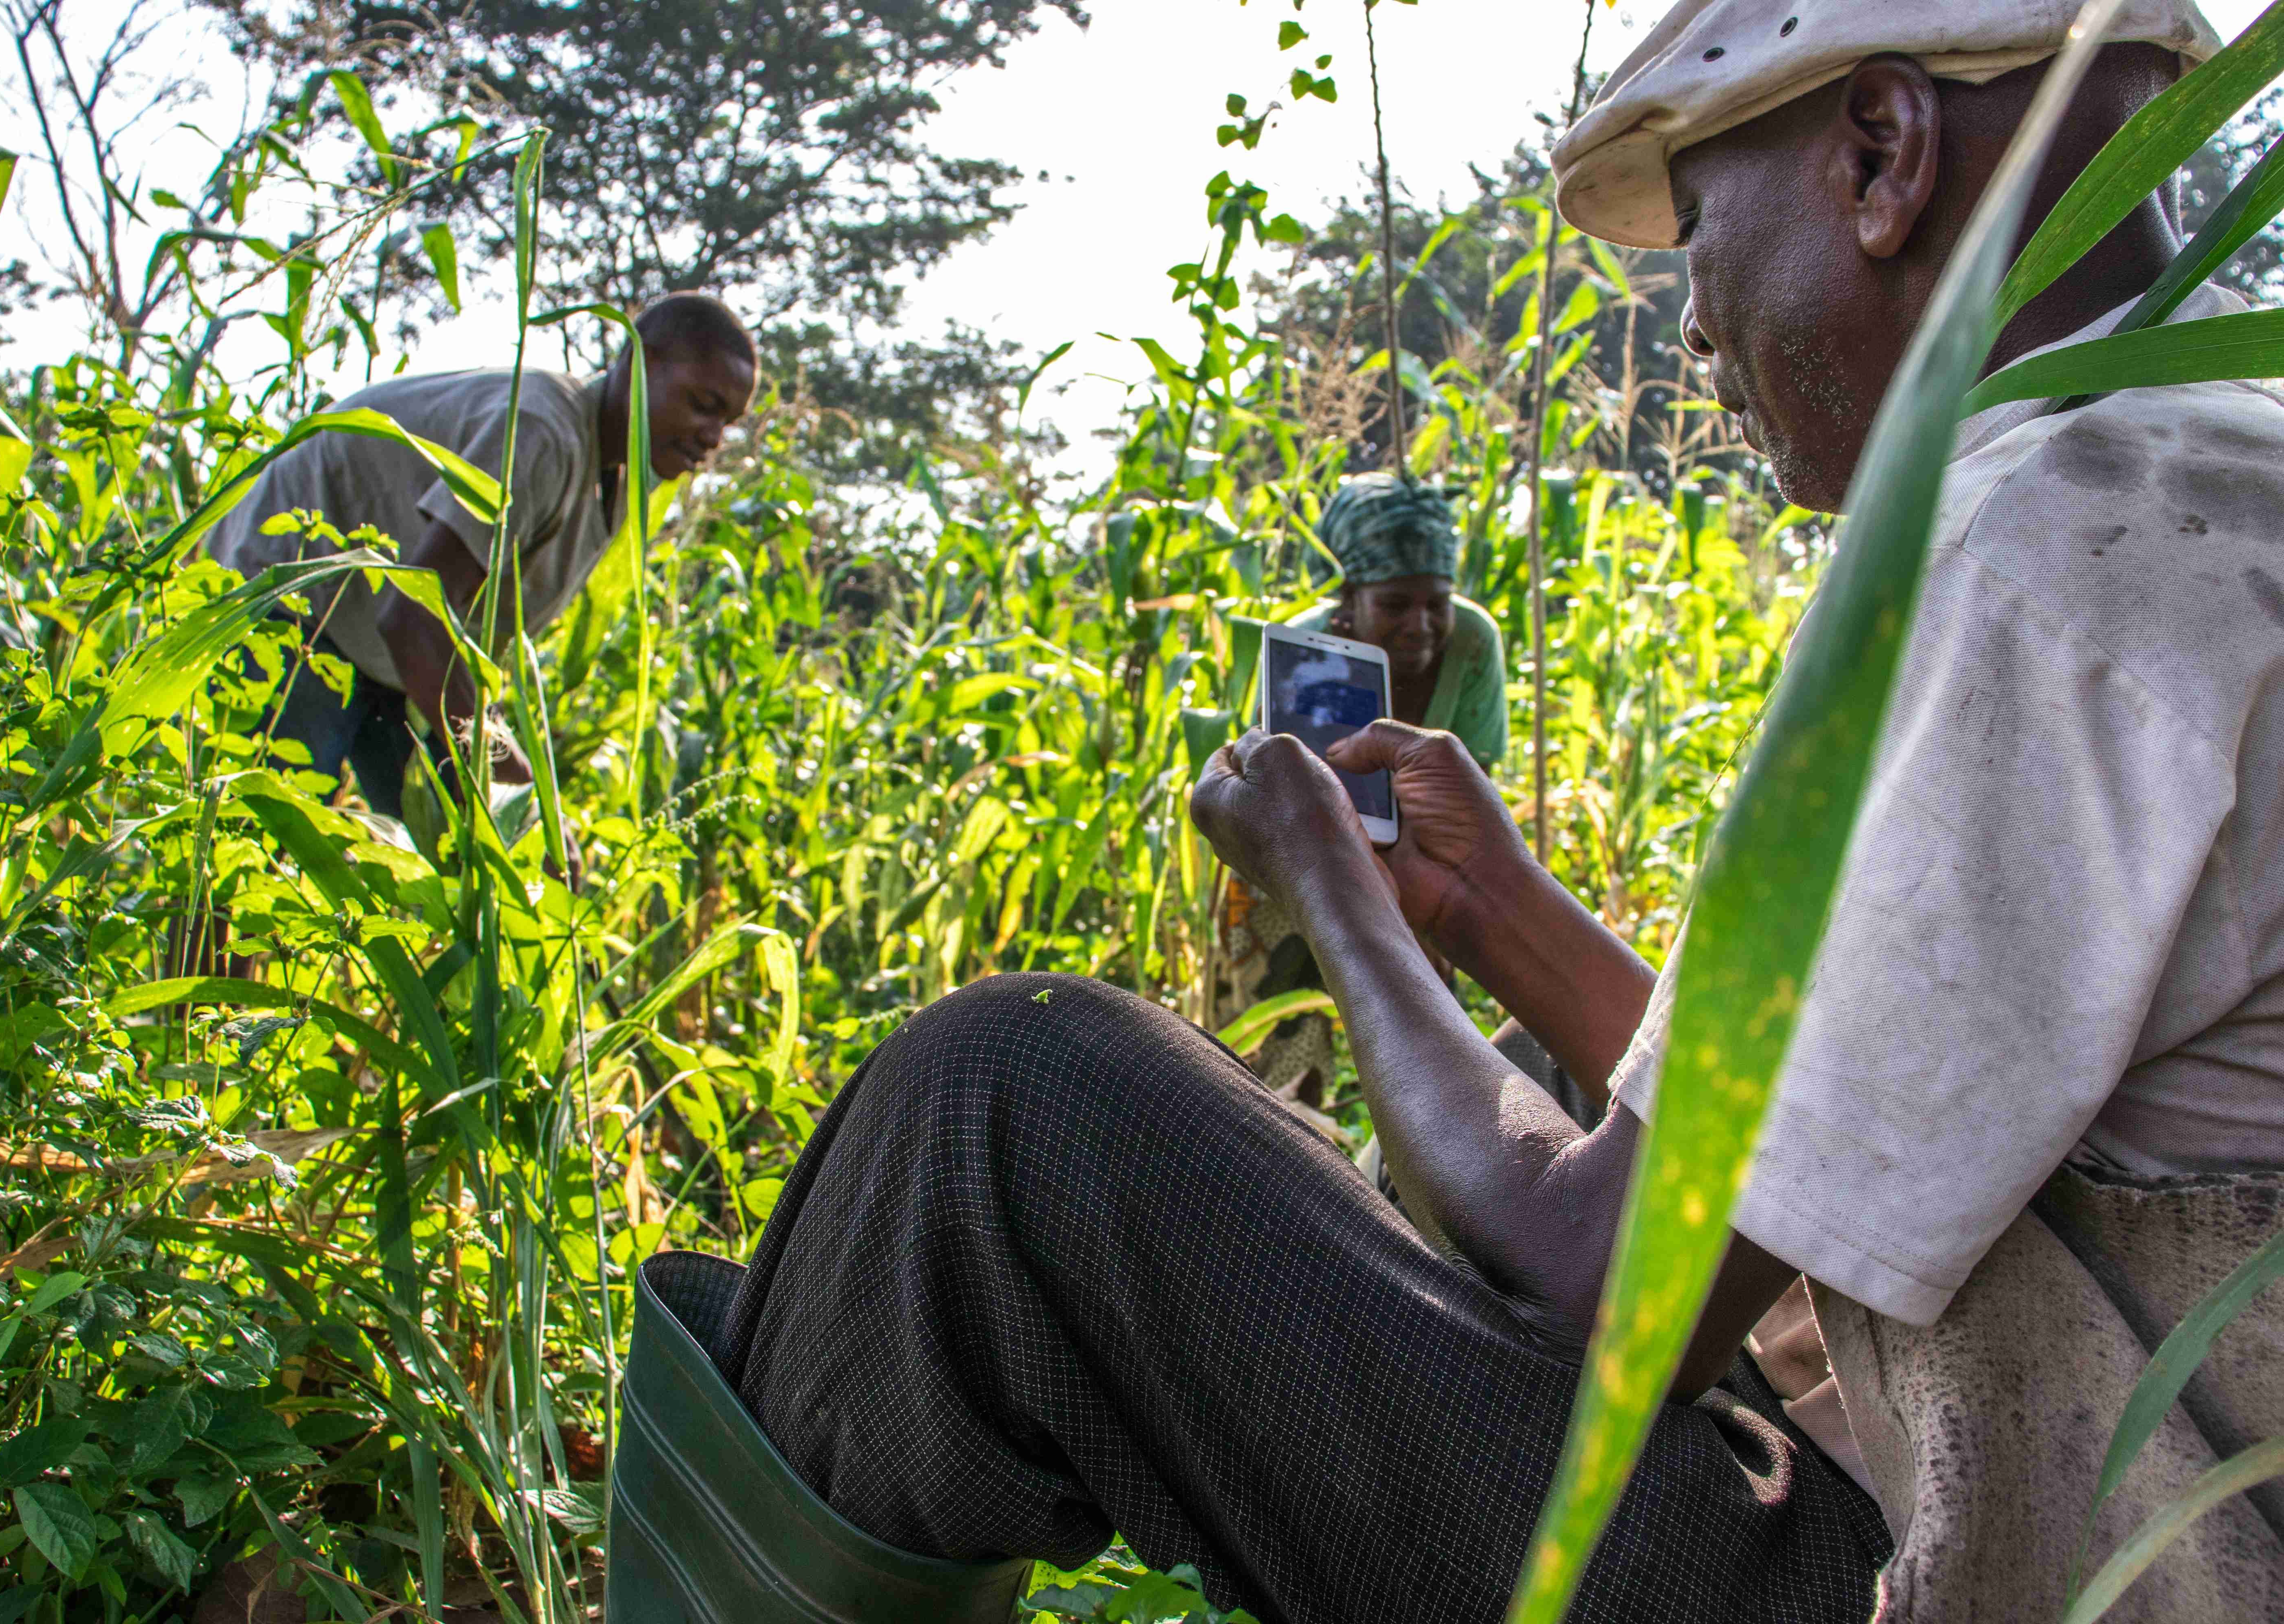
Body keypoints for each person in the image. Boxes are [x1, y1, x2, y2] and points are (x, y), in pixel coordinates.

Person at [678, 3, 2284, 1620]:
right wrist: (1489, 911)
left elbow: (1607, 1283)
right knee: (1508, 1074)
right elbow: (1825, 1137)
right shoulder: (2202, 478)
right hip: (2038, 1494)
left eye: (1703, 228)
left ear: (1880, 158)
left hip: (1952, 1572)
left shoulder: (2033, 559)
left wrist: (1338, 895)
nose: (1700, 332)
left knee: (1004, 1099)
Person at [208, 293, 756, 814]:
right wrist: (518, 781)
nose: (713, 438)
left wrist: (514, 801)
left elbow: (450, 637)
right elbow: (412, 614)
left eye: (727, 423)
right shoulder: (542, 431)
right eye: (703, 406)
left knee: (456, 862)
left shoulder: (616, 480)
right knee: (259, 847)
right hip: (292, 603)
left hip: (382, 655)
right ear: (639, 362)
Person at [1207, 475, 1508, 1124]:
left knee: (1431, 1047)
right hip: (1292, 858)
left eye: (1436, 603)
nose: (1420, 626)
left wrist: (1422, 905)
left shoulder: (1473, 645)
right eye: (1395, 604)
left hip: (1420, 859)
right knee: (1284, 1056)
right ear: (1351, 598)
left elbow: (1471, 788)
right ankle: (1298, 1157)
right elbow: (1275, 793)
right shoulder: (1302, 655)